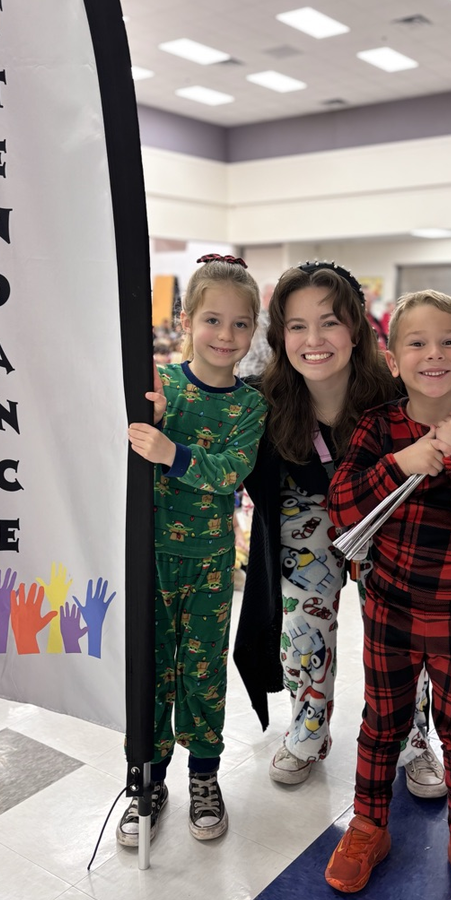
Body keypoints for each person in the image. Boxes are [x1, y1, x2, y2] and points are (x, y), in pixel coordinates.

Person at [235, 265, 451, 797]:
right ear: (279, 334)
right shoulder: (265, 401)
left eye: (329, 322)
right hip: (308, 521)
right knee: (300, 625)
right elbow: (205, 421)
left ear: (357, 330)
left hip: (394, 522)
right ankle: (308, 729)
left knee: (409, 625)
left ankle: (411, 737)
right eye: (296, 326)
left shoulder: (394, 390)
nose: (313, 341)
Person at [323, 290, 451, 900]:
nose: (432, 353)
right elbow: (342, 508)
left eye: (447, 342)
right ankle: (368, 824)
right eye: (416, 342)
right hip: (388, 606)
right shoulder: (376, 426)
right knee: (381, 721)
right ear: (392, 358)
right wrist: (402, 461)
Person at [118, 253, 267, 847]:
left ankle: (204, 777)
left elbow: (231, 470)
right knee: (151, 670)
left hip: (208, 561)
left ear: (253, 331)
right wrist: (139, 418)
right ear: (185, 319)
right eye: (212, 320)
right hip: (146, 556)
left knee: (202, 672)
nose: (224, 336)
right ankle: (146, 781)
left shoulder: (250, 405)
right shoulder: (159, 385)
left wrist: (172, 453)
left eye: (239, 324)